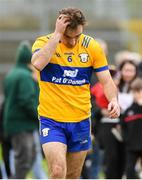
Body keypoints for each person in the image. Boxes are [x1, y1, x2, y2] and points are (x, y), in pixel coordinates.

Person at [31, 7, 120, 179]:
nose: (73, 42)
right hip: (52, 120)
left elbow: (107, 81)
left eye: (77, 36)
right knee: (57, 171)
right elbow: (38, 64)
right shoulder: (43, 43)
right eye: (68, 36)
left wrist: (114, 100)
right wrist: (57, 35)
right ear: (59, 29)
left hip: (80, 120)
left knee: (73, 175)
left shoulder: (91, 46)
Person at [3, 41, 37, 179]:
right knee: (24, 160)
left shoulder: (12, 74)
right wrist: (40, 116)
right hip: (22, 124)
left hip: (13, 124)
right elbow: (27, 101)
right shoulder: (24, 76)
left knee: (27, 157)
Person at [121, 78, 142, 178]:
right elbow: (123, 126)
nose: (136, 94)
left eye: (138, 91)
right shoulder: (129, 110)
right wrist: (126, 139)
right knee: (129, 169)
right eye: (134, 91)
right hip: (131, 145)